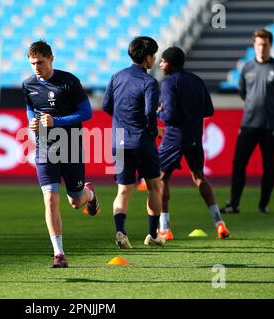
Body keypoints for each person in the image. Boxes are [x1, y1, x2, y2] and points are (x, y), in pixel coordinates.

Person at [22, 40, 100, 268]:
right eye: (32, 63)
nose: (37, 67)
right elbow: (29, 107)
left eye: (40, 62)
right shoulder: (28, 84)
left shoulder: (69, 81)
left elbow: (86, 113)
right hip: (45, 148)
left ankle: (90, 195)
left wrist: (58, 121)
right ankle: (59, 254)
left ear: (51, 58)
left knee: (76, 200)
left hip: (70, 146)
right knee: (50, 199)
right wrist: (31, 122)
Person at [157, 47, 230, 240]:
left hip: (174, 137)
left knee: (161, 178)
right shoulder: (197, 80)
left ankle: (165, 228)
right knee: (199, 177)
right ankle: (219, 223)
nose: (161, 64)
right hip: (196, 137)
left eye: (163, 61)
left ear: (170, 63)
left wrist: (158, 112)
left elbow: (169, 114)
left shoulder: (168, 83)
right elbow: (209, 110)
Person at [221, 29, 274, 214]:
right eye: (259, 44)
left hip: (271, 125)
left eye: (265, 44)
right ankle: (234, 203)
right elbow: (243, 93)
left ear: (270, 45)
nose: (262, 48)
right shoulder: (247, 68)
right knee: (239, 162)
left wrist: (273, 107)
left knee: (268, 165)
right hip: (249, 123)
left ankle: (263, 205)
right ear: (254, 45)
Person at [102, 36, 164, 249]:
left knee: (123, 190)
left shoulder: (116, 77)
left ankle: (120, 232)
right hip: (142, 141)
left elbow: (106, 105)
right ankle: (153, 235)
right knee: (154, 187)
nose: (154, 59)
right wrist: (153, 130)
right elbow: (149, 112)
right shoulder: (149, 82)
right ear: (147, 57)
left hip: (118, 141)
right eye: (153, 55)